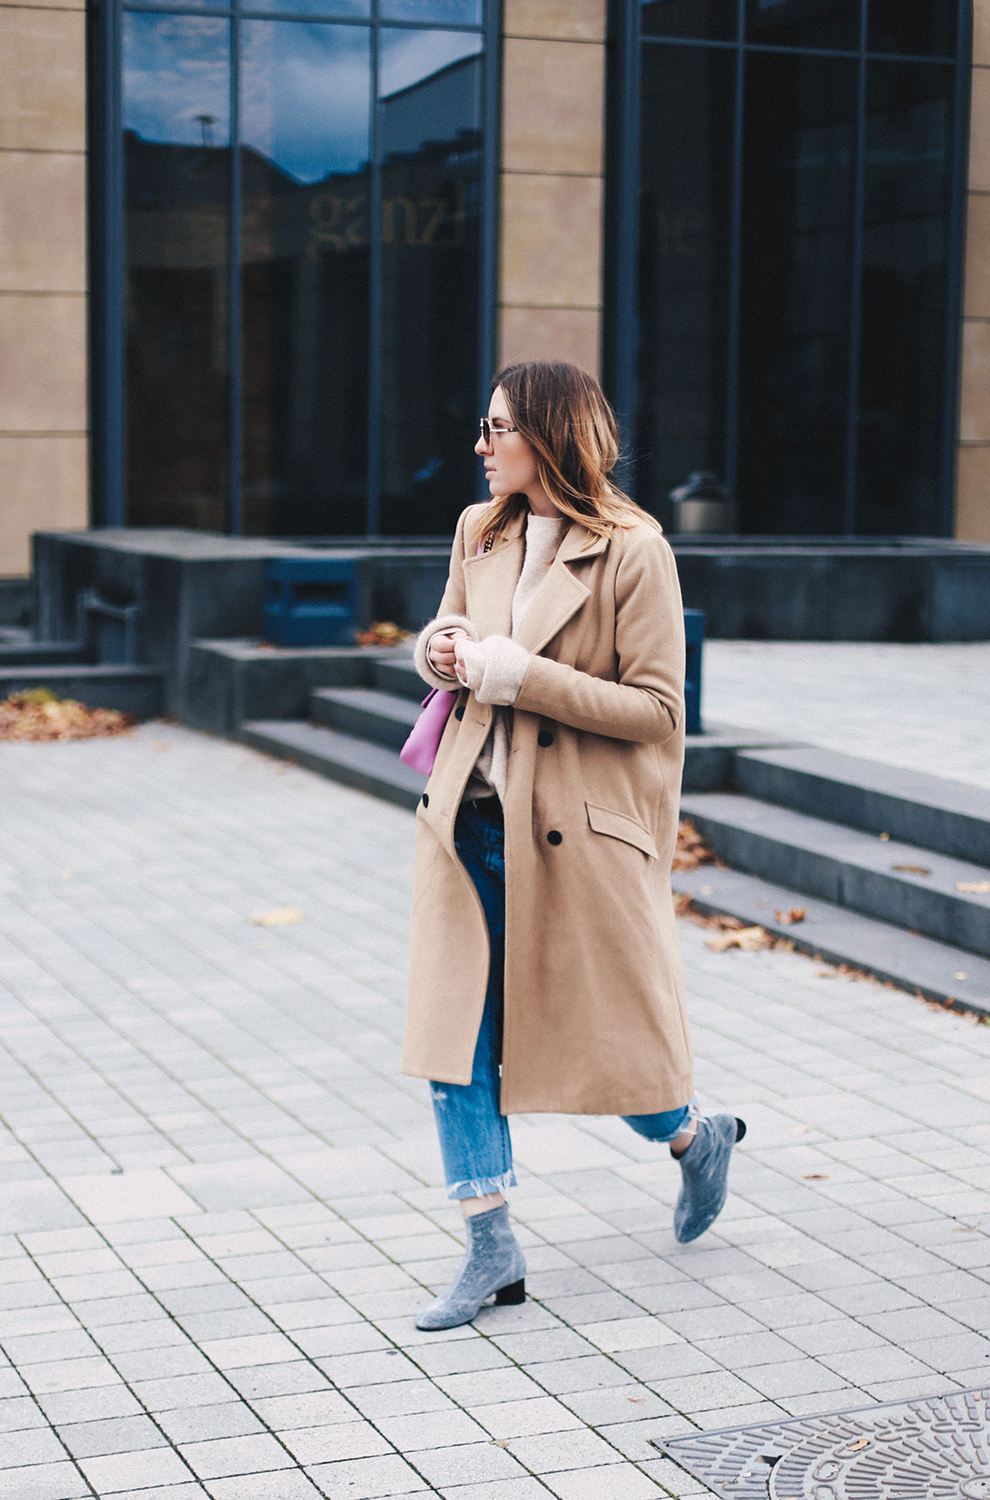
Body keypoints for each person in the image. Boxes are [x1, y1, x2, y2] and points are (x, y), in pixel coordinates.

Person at [404, 361, 744, 1331]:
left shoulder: (635, 550)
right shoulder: (480, 529)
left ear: (549, 434)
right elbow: (458, 635)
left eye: (497, 427)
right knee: (455, 1044)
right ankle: (490, 1249)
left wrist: (520, 674)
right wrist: (438, 651)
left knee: (603, 1049)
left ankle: (690, 1135)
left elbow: (657, 711)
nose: (481, 443)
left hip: (573, 838)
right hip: (465, 818)